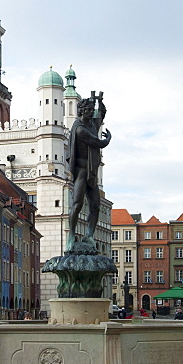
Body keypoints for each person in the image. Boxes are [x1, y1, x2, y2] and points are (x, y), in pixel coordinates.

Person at [65, 95, 112, 251]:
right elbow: (97, 142)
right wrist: (108, 139)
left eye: (93, 110)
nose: (93, 113)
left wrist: (99, 101)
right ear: (82, 111)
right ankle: (71, 236)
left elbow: (102, 113)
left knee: (95, 206)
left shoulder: (91, 124)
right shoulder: (79, 129)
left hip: (91, 171)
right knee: (77, 204)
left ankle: (89, 235)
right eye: (90, 110)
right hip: (81, 171)